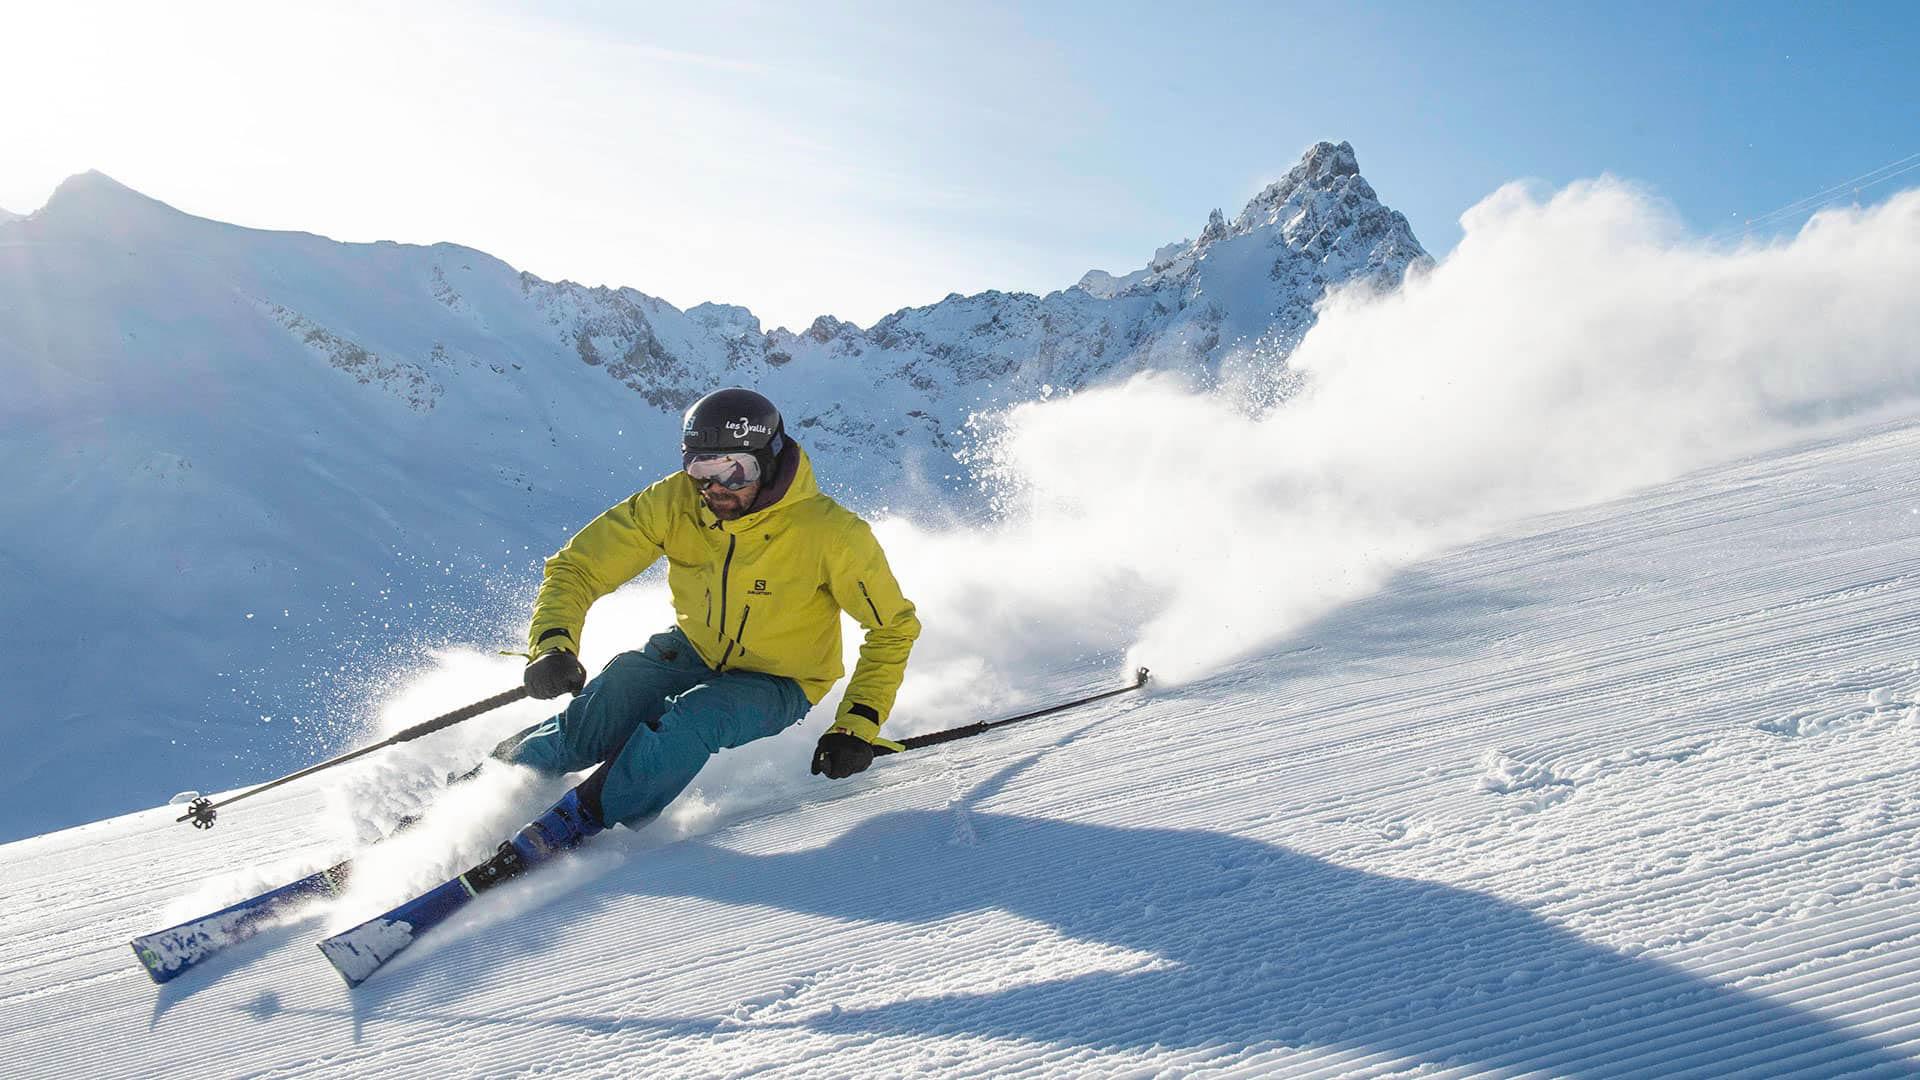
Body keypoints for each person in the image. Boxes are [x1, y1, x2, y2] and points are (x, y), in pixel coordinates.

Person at [467, 387, 921, 886]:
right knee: (604, 705)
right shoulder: (675, 503)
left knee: (689, 720)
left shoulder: (831, 534)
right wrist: (553, 644)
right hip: (691, 647)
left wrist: (855, 725)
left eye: (734, 470)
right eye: (701, 471)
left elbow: (892, 627)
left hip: (780, 681)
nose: (717, 488)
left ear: (768, 461)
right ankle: (477, 794)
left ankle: (581, 822)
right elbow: (578, 567)